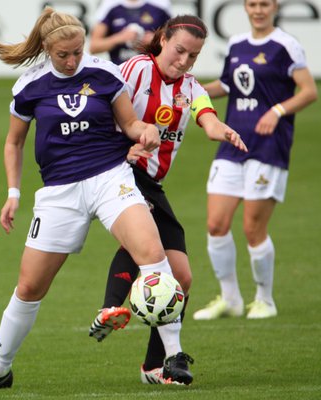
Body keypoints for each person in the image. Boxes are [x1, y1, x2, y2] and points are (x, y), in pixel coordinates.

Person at [0, 6, 185, 390]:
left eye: (78, 52)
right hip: (59, 193)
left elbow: (130, 123)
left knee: (153, 255)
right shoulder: (30, 86)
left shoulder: (104, 73)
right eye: (63, 54)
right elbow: (14, 142)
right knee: (30, 288)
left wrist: (144, 131)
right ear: (48, 49)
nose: (72, 60)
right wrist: (12, 193)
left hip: (110, 178)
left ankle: (174, 357)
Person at [86, 15, 248, 385]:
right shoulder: (138, 69)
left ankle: (153, 367)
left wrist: (219, 128)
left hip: (153, 183)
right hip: (120, 173)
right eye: (179, 51)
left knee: (183, 278)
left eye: (193, 55)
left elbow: (206, 118)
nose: (184, 61)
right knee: (145, 242)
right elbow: (100, 101)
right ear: (162, 41)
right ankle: (111, 306)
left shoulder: (190, 87)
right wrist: (113, 147)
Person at [193, 0, 317, 320]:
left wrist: (276, 111)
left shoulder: (286, 46)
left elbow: (308, 91)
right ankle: (230, 299)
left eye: (264, 4)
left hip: (268, 147)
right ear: (245, 8)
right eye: (253, 4)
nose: (258, 10)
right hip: (232, 142)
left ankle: (265, 299)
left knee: (252, 228)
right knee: (215, 224)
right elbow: (226, 85)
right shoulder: (236, 44)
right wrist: (191, 91)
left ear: (275, 7)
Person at [89, 0, 171, 65]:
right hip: (120, 72)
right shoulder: (110, 5)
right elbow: (94, 46)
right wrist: (119, 38)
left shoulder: (160, 4)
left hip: (151, 72)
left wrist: (156, 40)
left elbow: (174, 41)